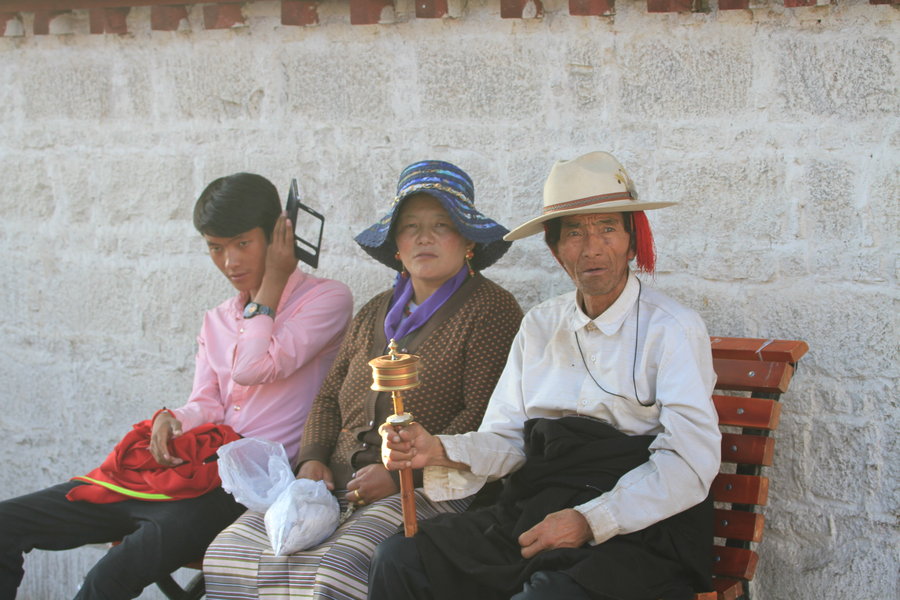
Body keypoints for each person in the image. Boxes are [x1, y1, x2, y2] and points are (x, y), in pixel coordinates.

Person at [371, 151, 722, 600]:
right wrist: (437, 448)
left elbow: (689, 461)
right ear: (555, 251)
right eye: (574, 233)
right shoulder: (540, 325)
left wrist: (590, 519)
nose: (592, 247)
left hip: (637, 525)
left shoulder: (672, 328)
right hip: (538, 507)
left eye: (608, 229)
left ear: (633, 242)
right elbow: (508, 439)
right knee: (401, 560)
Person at [0, 172, 353, 600]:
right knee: (7, 521)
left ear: (280, 236)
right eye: (215, 247)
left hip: (247, 488)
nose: (230, 262)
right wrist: (175, 418)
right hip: (184, 472)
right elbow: (208, 402)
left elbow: (250, 368)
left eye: (243, 243)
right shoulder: (218, 318)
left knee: (106, 580)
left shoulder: (328, 299)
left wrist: (275, 282)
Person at [202, 160, 524, 600]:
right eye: (411, 228)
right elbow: (329, 395)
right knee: (229, 554)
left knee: (336, 570)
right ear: (396, 245)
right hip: (332, 484)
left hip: (431, 487)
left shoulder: (491, 309)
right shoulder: (376, 310)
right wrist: (312, 459)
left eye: (441, 226)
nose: (424, 238)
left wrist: (399, 479)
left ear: (468, 240)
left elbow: (484, 414)